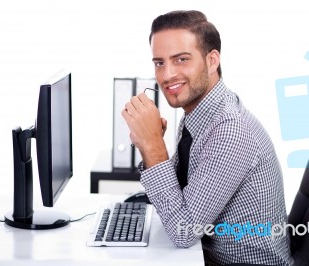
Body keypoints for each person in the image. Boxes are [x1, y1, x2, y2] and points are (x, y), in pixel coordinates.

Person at [122, 10, 294, 266]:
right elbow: (183, 203)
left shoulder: (230, 131)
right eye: (159, 63)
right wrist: (149, 143)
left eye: (181, 59)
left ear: (212, 61)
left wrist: (153, 145)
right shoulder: (198, 113)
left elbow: (183, 231)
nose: (167, 75)